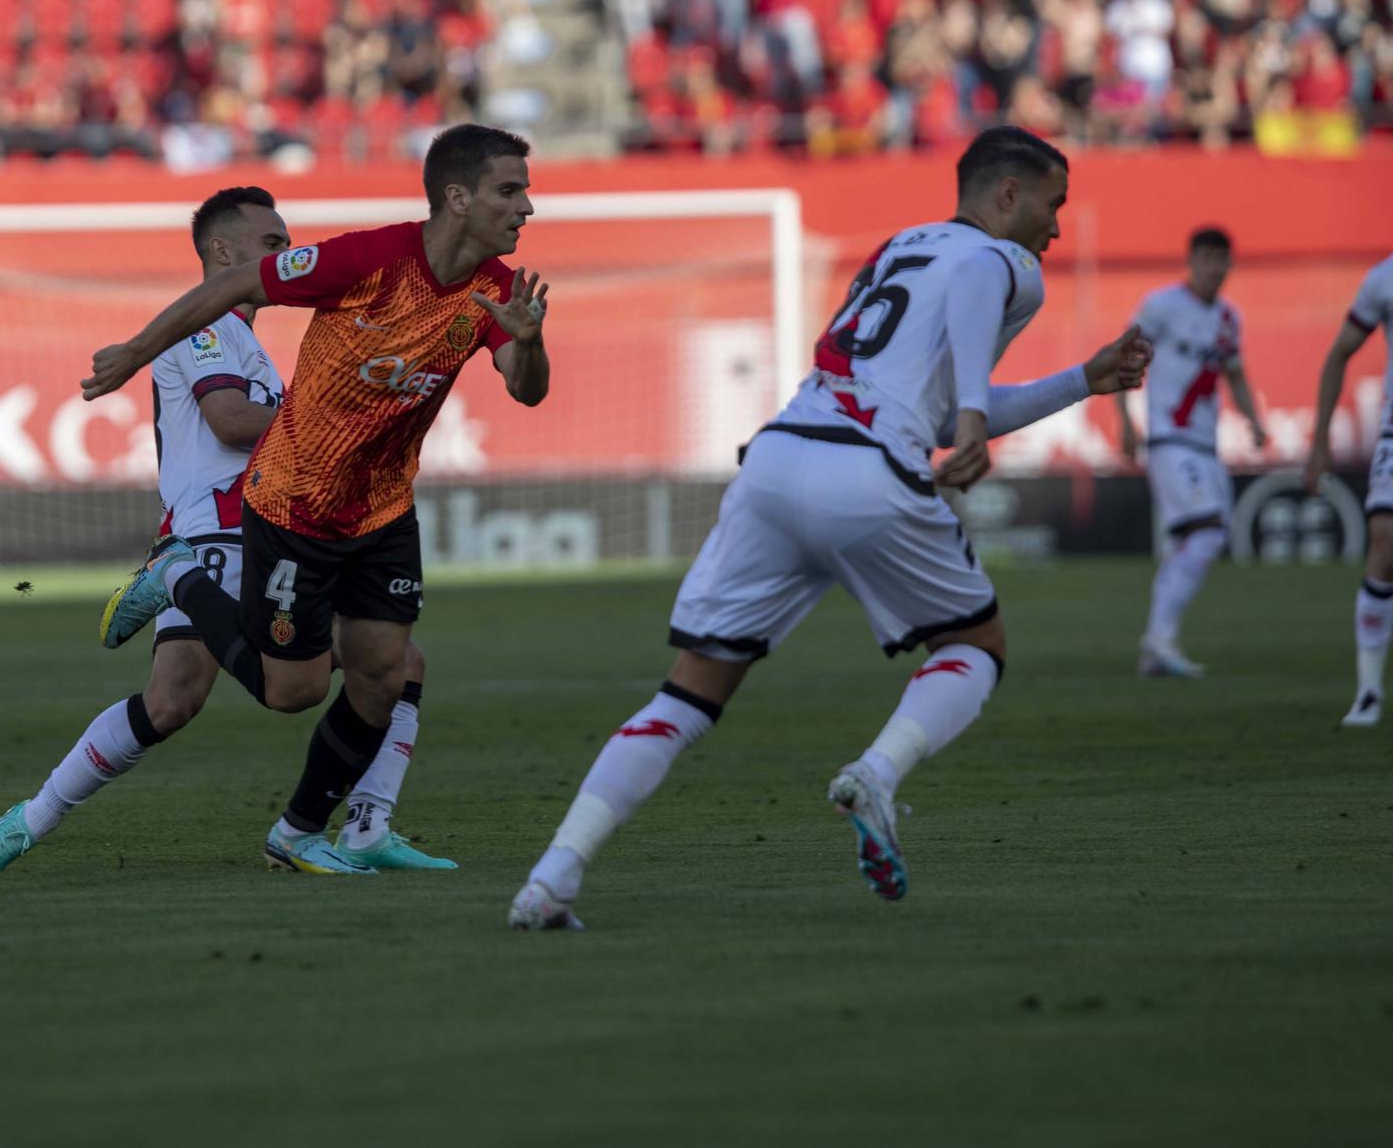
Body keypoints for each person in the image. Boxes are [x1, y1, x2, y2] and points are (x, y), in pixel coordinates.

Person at [509, 126, 1152, 930]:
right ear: (1009, 195)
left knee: (686, 693)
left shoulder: (895, 250)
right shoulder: (1005, 262)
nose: (1055, 229)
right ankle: (877, 774)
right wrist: (982, 420)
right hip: (870, 471)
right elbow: (972, 327)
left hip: (778, 460)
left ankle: (551, 875)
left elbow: (934, 406)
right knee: (975, 647)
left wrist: (1078, 382)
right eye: (1053, 206)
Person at [81, 124, 553, 873]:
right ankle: (179, 575)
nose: (526, 206)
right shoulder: (367, 259)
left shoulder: (495, 290)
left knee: (385, 671)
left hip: (386, 506)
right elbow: (236, 285)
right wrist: (137, 351)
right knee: (292, 691)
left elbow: (526, 393)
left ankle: (302, 832)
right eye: (510, 189)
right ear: (456, 197)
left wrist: (527, 345)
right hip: (297, 502)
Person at [0, 187, 453, 874]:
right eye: (273, 244)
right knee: (369, 667)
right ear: (223, 252)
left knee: (171, 701)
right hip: (226, 531)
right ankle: (177, 582)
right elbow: (228, 420)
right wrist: (342, 422)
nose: (289, 255)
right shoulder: (209, 329)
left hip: (228, 531)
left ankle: (25, 822)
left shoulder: (244, 340)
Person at [1118, 227, 1268, 678]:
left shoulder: (1228, 317)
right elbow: (1122, 355)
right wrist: (1125, 421)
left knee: (1190, 541)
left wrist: (1253, 420)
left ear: (1229, 264)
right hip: (1169, 440)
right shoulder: (1162, 305)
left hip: (1206, 445)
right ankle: (1159, 639)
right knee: (1207, 531)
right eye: (1206, 257)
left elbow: (1235, 374)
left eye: (1221, 258)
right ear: (1191, 260)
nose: (1213, 267)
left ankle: (1156, 648)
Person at [1303, 251, 1393, 727]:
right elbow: (1339, 352)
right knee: (1384, 544)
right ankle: (1369, 693)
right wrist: (1320, 441)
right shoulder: (1383, 279)